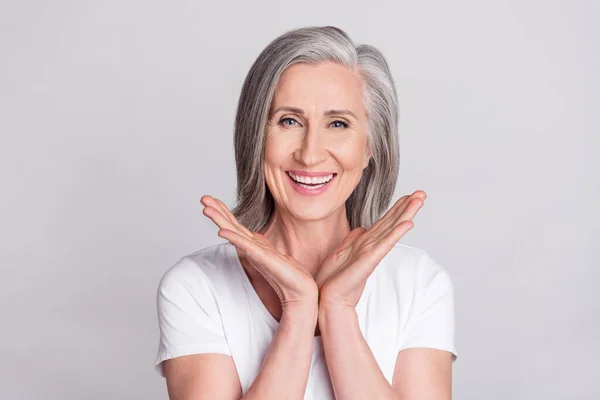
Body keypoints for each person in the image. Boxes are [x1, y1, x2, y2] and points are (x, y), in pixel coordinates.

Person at [154, 25, 458, 399]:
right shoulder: (197, 286)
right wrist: (298, 308)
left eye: (338, 124)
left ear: (370, 149)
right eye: (289, 121)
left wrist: (337, 309)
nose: (310, 153)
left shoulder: (419, 282)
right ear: (255, 138)